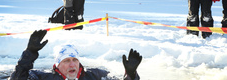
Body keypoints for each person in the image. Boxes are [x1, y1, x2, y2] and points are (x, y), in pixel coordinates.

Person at [9, 30, 143, 80]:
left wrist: (131, 74)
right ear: (57, 64)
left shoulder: (96, 75)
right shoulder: (43, 76)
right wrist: (30, 53)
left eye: (74, 59)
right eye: (66, 60)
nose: (72, 64)